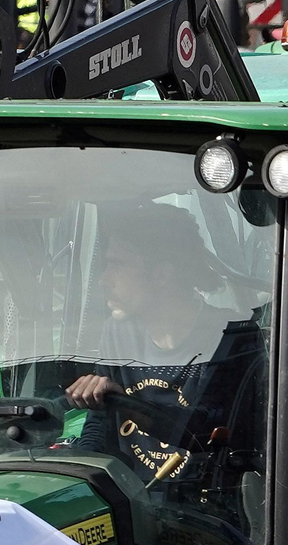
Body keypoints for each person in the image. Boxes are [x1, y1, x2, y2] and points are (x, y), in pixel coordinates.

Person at [67, 203, 253, 485]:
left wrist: (130, 407)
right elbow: (100, 425)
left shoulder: (231, 339)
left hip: (204, 513)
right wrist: (80, 481)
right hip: (136, 507)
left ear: (162, 275)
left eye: (117, 265)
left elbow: (208, 430)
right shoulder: (119, 333)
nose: (104, 280)